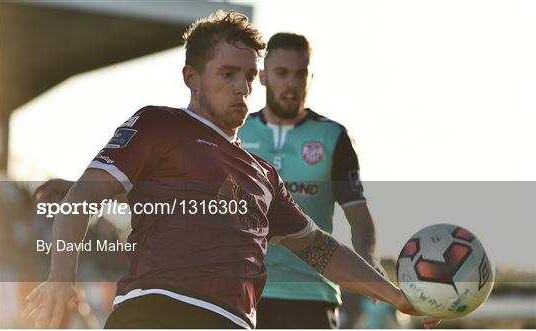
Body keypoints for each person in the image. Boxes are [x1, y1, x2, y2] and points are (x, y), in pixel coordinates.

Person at [24, 10, 440, 329]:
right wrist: (62, 277)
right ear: (192, 77)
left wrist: (394, 295)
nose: (242, 87)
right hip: (159, 310)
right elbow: (82, 197)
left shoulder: (263, 174)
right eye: (227, 74)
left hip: (234, 321)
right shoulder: (159, 123)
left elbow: (320, 249)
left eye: (248, 76)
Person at [238, 33, 382, 329]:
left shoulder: (333, 137)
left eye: (300, 74)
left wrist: (367, 258)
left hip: (311, 294)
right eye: (281, 73)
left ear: (310, 77)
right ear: (263, 77)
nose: (291, 83)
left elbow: (357, 213)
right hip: (242, 292)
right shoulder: (236, 134)